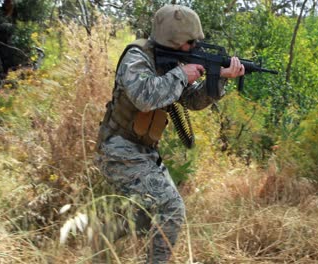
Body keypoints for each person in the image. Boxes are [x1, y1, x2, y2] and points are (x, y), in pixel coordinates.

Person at [94, 4, 244, 263]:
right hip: (118, 148)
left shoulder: (174, 61)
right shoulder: (137, 56)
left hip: (144, 151)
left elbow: (193, 101)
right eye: (189, 41)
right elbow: (144, 97)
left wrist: (220, 78)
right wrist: (181, 75)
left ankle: (100, 239)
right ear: (173, 39)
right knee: (171, 209)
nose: (194, 46)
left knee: (146, 212)